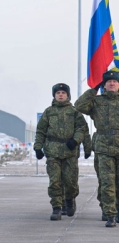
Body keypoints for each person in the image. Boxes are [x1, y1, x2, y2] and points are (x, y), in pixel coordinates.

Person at [34, 83, 87, 221]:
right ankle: (56, 207)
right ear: (54, 95)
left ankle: (70, 199)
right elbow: (41, 131)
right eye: (58, 93)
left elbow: (82, 128)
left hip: (70, 151)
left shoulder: (75, 112)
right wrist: (38, 147)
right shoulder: (48, 112)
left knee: (70, 181)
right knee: (54, 181)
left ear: (67, 95)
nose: (61, 95)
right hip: (52, 151)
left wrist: (75, 141)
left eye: (63, 92)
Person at [75, 70, 119, 227]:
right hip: (104, 147)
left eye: (114, 82)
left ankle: (117, 209)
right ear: (104, 85)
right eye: (108, 82)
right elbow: (79, 106)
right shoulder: (97, 101)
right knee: (107, 182)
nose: (112, 84)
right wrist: (93, 89)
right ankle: (110, 214)